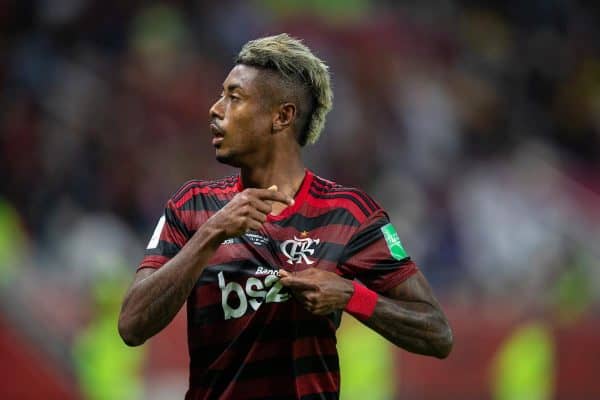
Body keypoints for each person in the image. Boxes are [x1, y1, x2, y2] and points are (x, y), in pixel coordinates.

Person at [118, 33, 453, 400]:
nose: (215, 109)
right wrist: (211, 233)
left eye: (234, 97)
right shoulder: (193, 206)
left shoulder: (350, 214)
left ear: (282, 116)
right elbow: (132, 326)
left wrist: (351, 295)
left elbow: (437, 333)